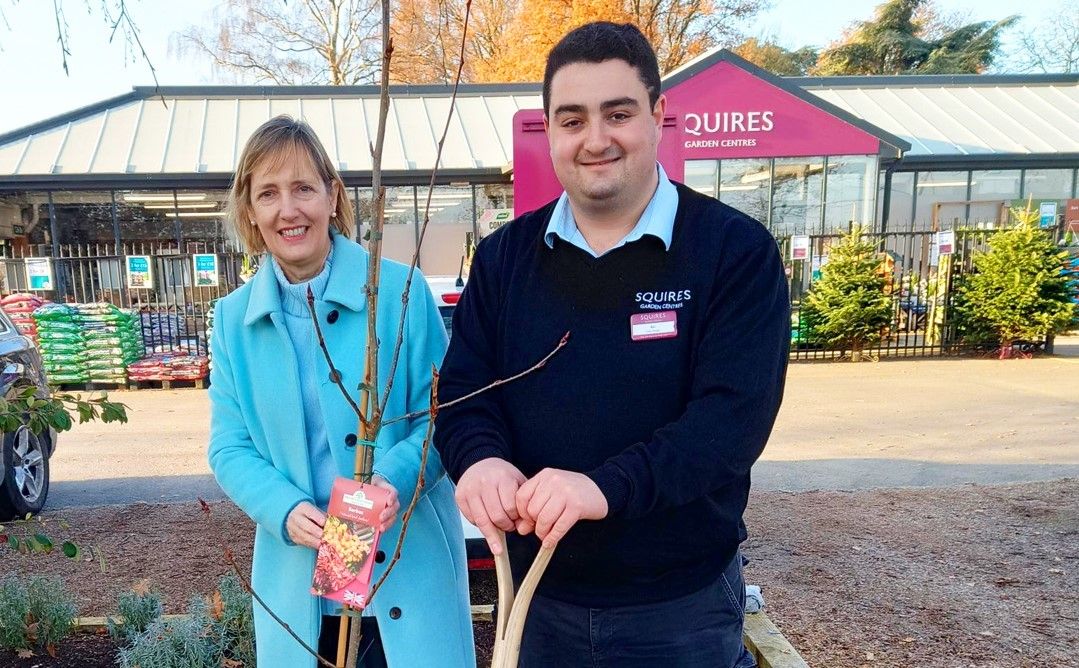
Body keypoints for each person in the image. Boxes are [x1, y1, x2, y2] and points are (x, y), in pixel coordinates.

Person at [434, 22, 789, 668]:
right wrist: (478, 458)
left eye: (617, 114)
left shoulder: (733, 254)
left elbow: (728, 423)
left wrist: (602, 488)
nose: (594, 139)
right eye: (571, 120)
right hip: (539, 606)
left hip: (679, 610)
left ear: (657, 116)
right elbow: (463, 394)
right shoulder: (502, 260)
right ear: (549, 130)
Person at [208, 115, 474, 667]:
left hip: (405, 568)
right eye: (269, 194)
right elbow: (229, 446)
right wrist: (282, 509)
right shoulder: (233, 320)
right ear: (251, 213)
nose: (289, 209)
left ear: (333, 196)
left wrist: (395, 479)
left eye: (304, 187)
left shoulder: (400, 292)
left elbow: (446, 416)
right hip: (299, 580)